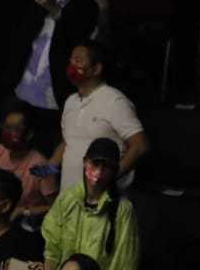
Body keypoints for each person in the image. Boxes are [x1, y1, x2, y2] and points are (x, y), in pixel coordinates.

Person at [6, 0, 99, 139]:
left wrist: (54, 9)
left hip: (55, 96)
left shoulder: (86, 7)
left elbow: (76, 33)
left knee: (47, 148)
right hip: (21, 88)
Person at [41, 138, 141, 270]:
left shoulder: (122, 210)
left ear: (115, 170)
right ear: (85, 162)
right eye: (95, 163)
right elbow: (52, 249)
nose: (98, 172)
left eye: (106, 167)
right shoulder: (67, 199)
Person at [49, 42, 149, 193]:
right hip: (69, 199)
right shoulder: (70, 102)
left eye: (78, 60)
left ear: (96, 69)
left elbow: (140, 146)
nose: (71, 65)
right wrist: (49, 167)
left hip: (103, 200)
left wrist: (110, 178)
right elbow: (67, 142)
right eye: (71, 61)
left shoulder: (115, 101)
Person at [0, 101, 59, 217]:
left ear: (29, 134)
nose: (8, 133)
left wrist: (23, 211)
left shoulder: (41, 166)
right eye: (6, 127)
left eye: (16, 129)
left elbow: (56, 208)